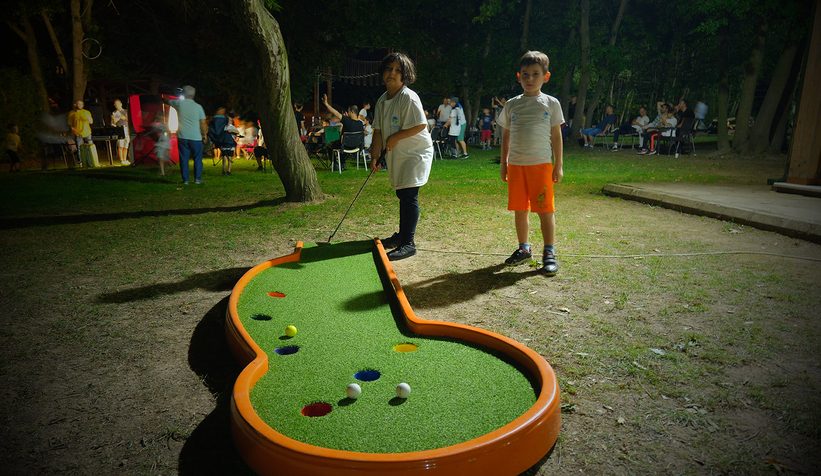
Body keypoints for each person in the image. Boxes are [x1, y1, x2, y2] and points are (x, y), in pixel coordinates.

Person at [497, 50, 564, 276]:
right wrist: (504, 163)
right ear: (519, 77)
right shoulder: (512, 105)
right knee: (520, 209)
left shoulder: (551, 103)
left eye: (536, 74)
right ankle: (524, 248)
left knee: (545, 209)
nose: (530, 79)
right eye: (525, 74)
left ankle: (549, 252)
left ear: (546, 76)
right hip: (516, 166)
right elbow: (506, 136)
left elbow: (556, 136)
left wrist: (558, 165)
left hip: (541, 165)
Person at [370, 52, 433, 261]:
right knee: (402, 194)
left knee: (409, 195)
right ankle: (402, 235)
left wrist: (395, 137)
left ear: (405, 75)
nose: (392, 73)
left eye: (398, 70)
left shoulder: (408, 97)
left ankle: (408, 243)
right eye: (389, 69)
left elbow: (420, 125)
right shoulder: (382, 101)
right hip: (399, 154)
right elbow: (378, 132)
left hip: (416, 153)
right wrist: (374, 156)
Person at [167, 85, 207, 184]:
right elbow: (203, 123)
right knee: (197, 159)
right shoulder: (198, 107)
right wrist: (204, 134)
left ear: (183, 93)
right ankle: (197, 179)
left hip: (182, 136)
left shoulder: (178, 103)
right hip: (196, 137)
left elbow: (166, 101)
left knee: (184, 159)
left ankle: (185, 180)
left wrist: (162, 99)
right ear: (194, 94)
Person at [322, 95, 365, 171]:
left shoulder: (347, 121)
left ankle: (335, 164)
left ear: (352, 112)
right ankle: (343, 164)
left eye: (348, 112)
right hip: (356, 146)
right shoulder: (361, 124)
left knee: (330, 145)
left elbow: (336, 113)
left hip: (344, 146)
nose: (347, 113)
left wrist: (326, 104)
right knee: (342, 143)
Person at [67, 100, 93, 167]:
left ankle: (91, 160)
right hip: (78, 133)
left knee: (89, 147)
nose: (81, 105)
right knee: (79, 148)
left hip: (87, 132)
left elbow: (91, 121)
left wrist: (87, 116)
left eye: (82, 104)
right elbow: (70, 123)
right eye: (79, 104)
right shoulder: (71, 113)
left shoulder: (86, 112)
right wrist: (72, 128)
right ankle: (80, 162)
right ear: (75, 105)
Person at [150, 112, 173, 177]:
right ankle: (162, 173)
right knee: (160, 157)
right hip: (160, 144)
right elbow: (153, 131)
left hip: (165, 143)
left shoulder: (165, 125)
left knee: (166, 158)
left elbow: (169, 134)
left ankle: (168, 168)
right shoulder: (156, 125)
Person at [110, 99, 131, 165]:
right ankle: (121, 159)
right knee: (120, 145)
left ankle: (125, 159)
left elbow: (130, 120)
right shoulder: (114, 113)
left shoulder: (126, 111)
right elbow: (112, 123)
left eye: (118, 104)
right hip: (119, 129)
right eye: (115, 105)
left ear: (121, 104)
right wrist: (115, 121)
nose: (117, 106)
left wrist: (124, 118)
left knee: (126, 145)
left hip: (126, 128)